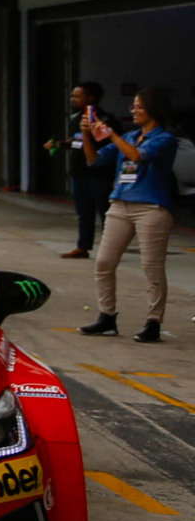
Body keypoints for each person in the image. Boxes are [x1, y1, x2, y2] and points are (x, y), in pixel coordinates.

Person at [80, 87, 179, 342]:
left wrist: (110, 134)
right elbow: (94, 160)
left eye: (139, 106)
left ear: (154, 109)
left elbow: (137, 156)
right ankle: (107, 316)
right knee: (104, 262)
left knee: (152, 267)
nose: (133, 110)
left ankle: (154, 321)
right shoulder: (130, 136)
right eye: (133, 106)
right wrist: (87, 134)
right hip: (121, 204)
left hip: (151, 208)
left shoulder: (165, 139)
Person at [48, 81, 112, 259]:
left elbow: (108, 144)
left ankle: (111, 247)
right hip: (79, 173)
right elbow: (75, 142)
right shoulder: (76, 119)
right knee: (84, 212)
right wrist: (59, 144)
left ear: (91, 98)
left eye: (77, 95)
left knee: (106, 212)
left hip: (99, 174)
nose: (73, 99)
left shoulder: (105, 120)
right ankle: (83, 246)